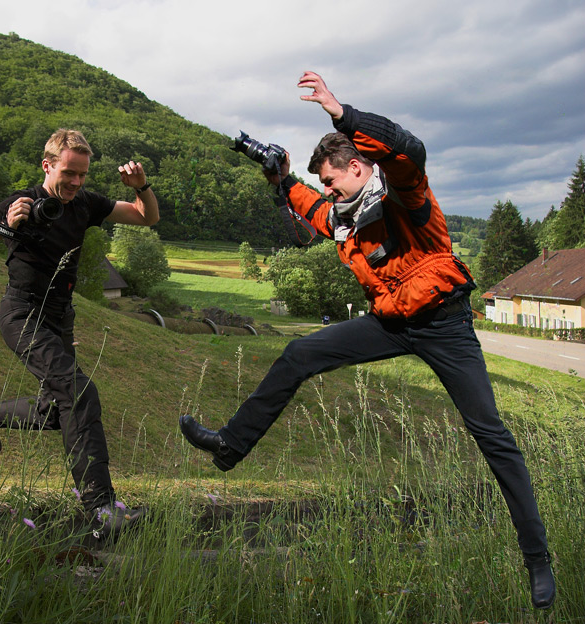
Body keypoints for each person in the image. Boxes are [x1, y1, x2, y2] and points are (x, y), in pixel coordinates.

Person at [179, 72, 555, 609]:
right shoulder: (344, 216)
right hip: (391, 321)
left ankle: (536, 558)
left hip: (445, 325)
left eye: (333, 180)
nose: (328, 192)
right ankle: (230, 444)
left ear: (357, 166)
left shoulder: (407, 198)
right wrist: (282, 178)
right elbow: (311, 206)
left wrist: (343, 114)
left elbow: (408, 151)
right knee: (299, 353)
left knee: (489, 433)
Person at [0, 128, 158, 537]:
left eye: (83, 175)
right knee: (79, 393)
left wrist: (142, 187)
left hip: (60, 319)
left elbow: (145, 216)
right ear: (48, 165)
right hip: (22, 313)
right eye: (69, 173)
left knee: (55, 412)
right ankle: (102, 511)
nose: (76, 183)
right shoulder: (21, 203)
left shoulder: (85, 204)